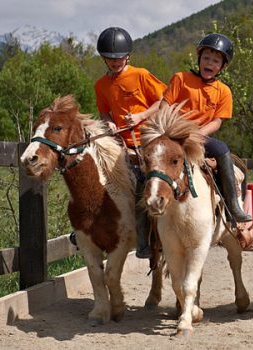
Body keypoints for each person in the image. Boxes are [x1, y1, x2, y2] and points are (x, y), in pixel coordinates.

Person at [160, 33, 251, 223]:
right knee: (151, 159)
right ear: (199, 59)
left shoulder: (224, 91)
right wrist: (170, 128)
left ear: (222, 67)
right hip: (173, 134)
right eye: (206, 58)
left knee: (222, 150)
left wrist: (199, 133)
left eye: (216, 61)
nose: (210, 63)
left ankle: (232, 205)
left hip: (200, 137)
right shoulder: (180, 79)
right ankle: (144, 220)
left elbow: (217, 121)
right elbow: (165, 107)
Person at [94, 27, 167, 259]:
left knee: (139, 185)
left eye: (119, 58)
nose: (115, 62)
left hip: (146, 139)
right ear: (103, 58)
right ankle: (88, 227)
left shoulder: (141, 75)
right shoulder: (100, 85)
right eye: (110, 58)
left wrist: (140, 116)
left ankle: (145, 240)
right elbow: (104, 112)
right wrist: (109, 124)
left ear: (128, 56)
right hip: (118, 142)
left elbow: (164, 100)